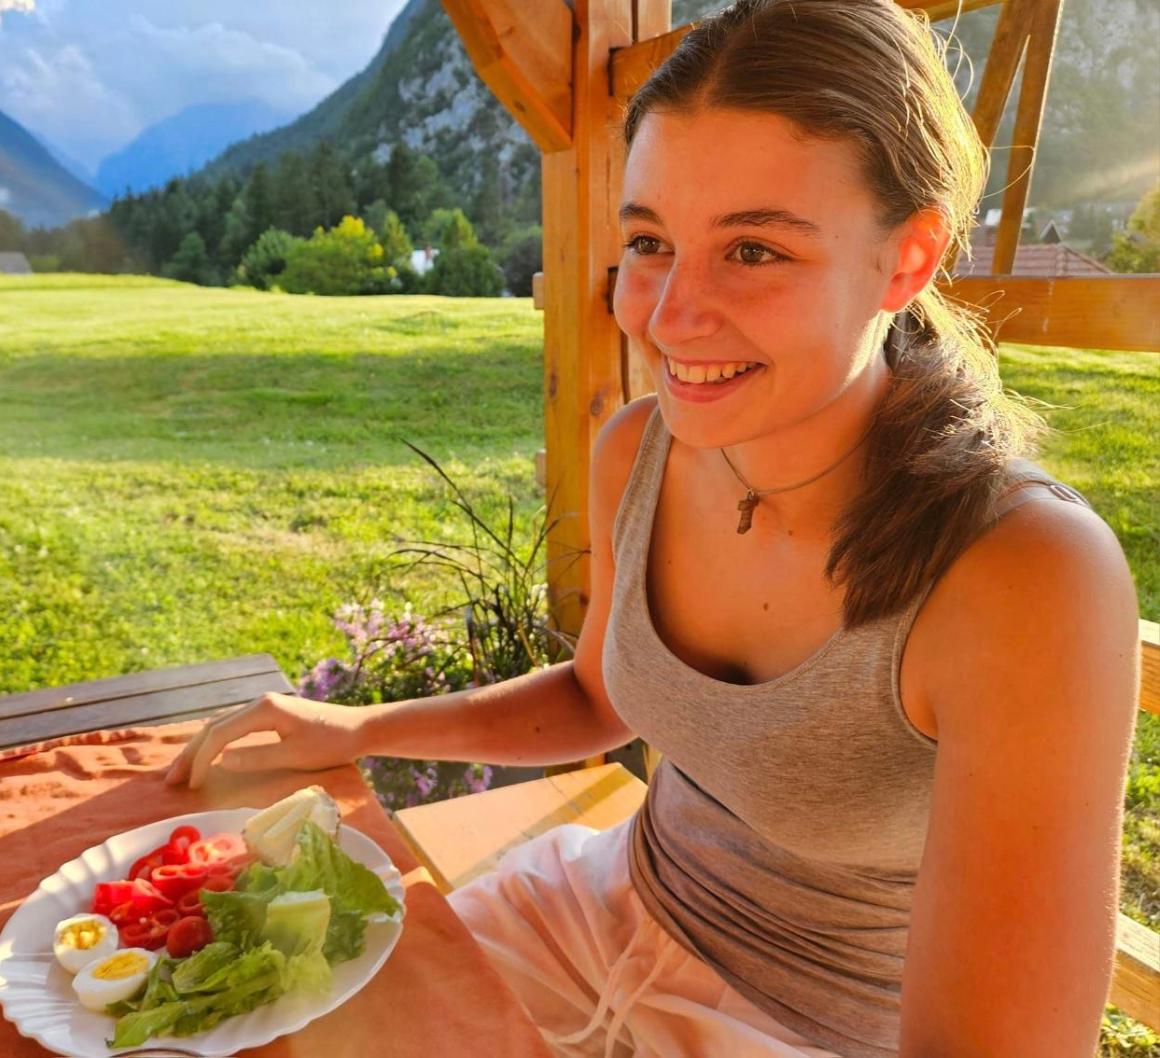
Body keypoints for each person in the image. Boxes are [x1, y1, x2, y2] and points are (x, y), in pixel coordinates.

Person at [165, 1, 1140, 1054]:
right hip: (593, 919)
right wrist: (355, 729)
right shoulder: (641, 451)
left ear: (905, 260)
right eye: (648, 242)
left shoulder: (1021, 572)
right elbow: (595, 695)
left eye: (753, 250)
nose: (669, 314)